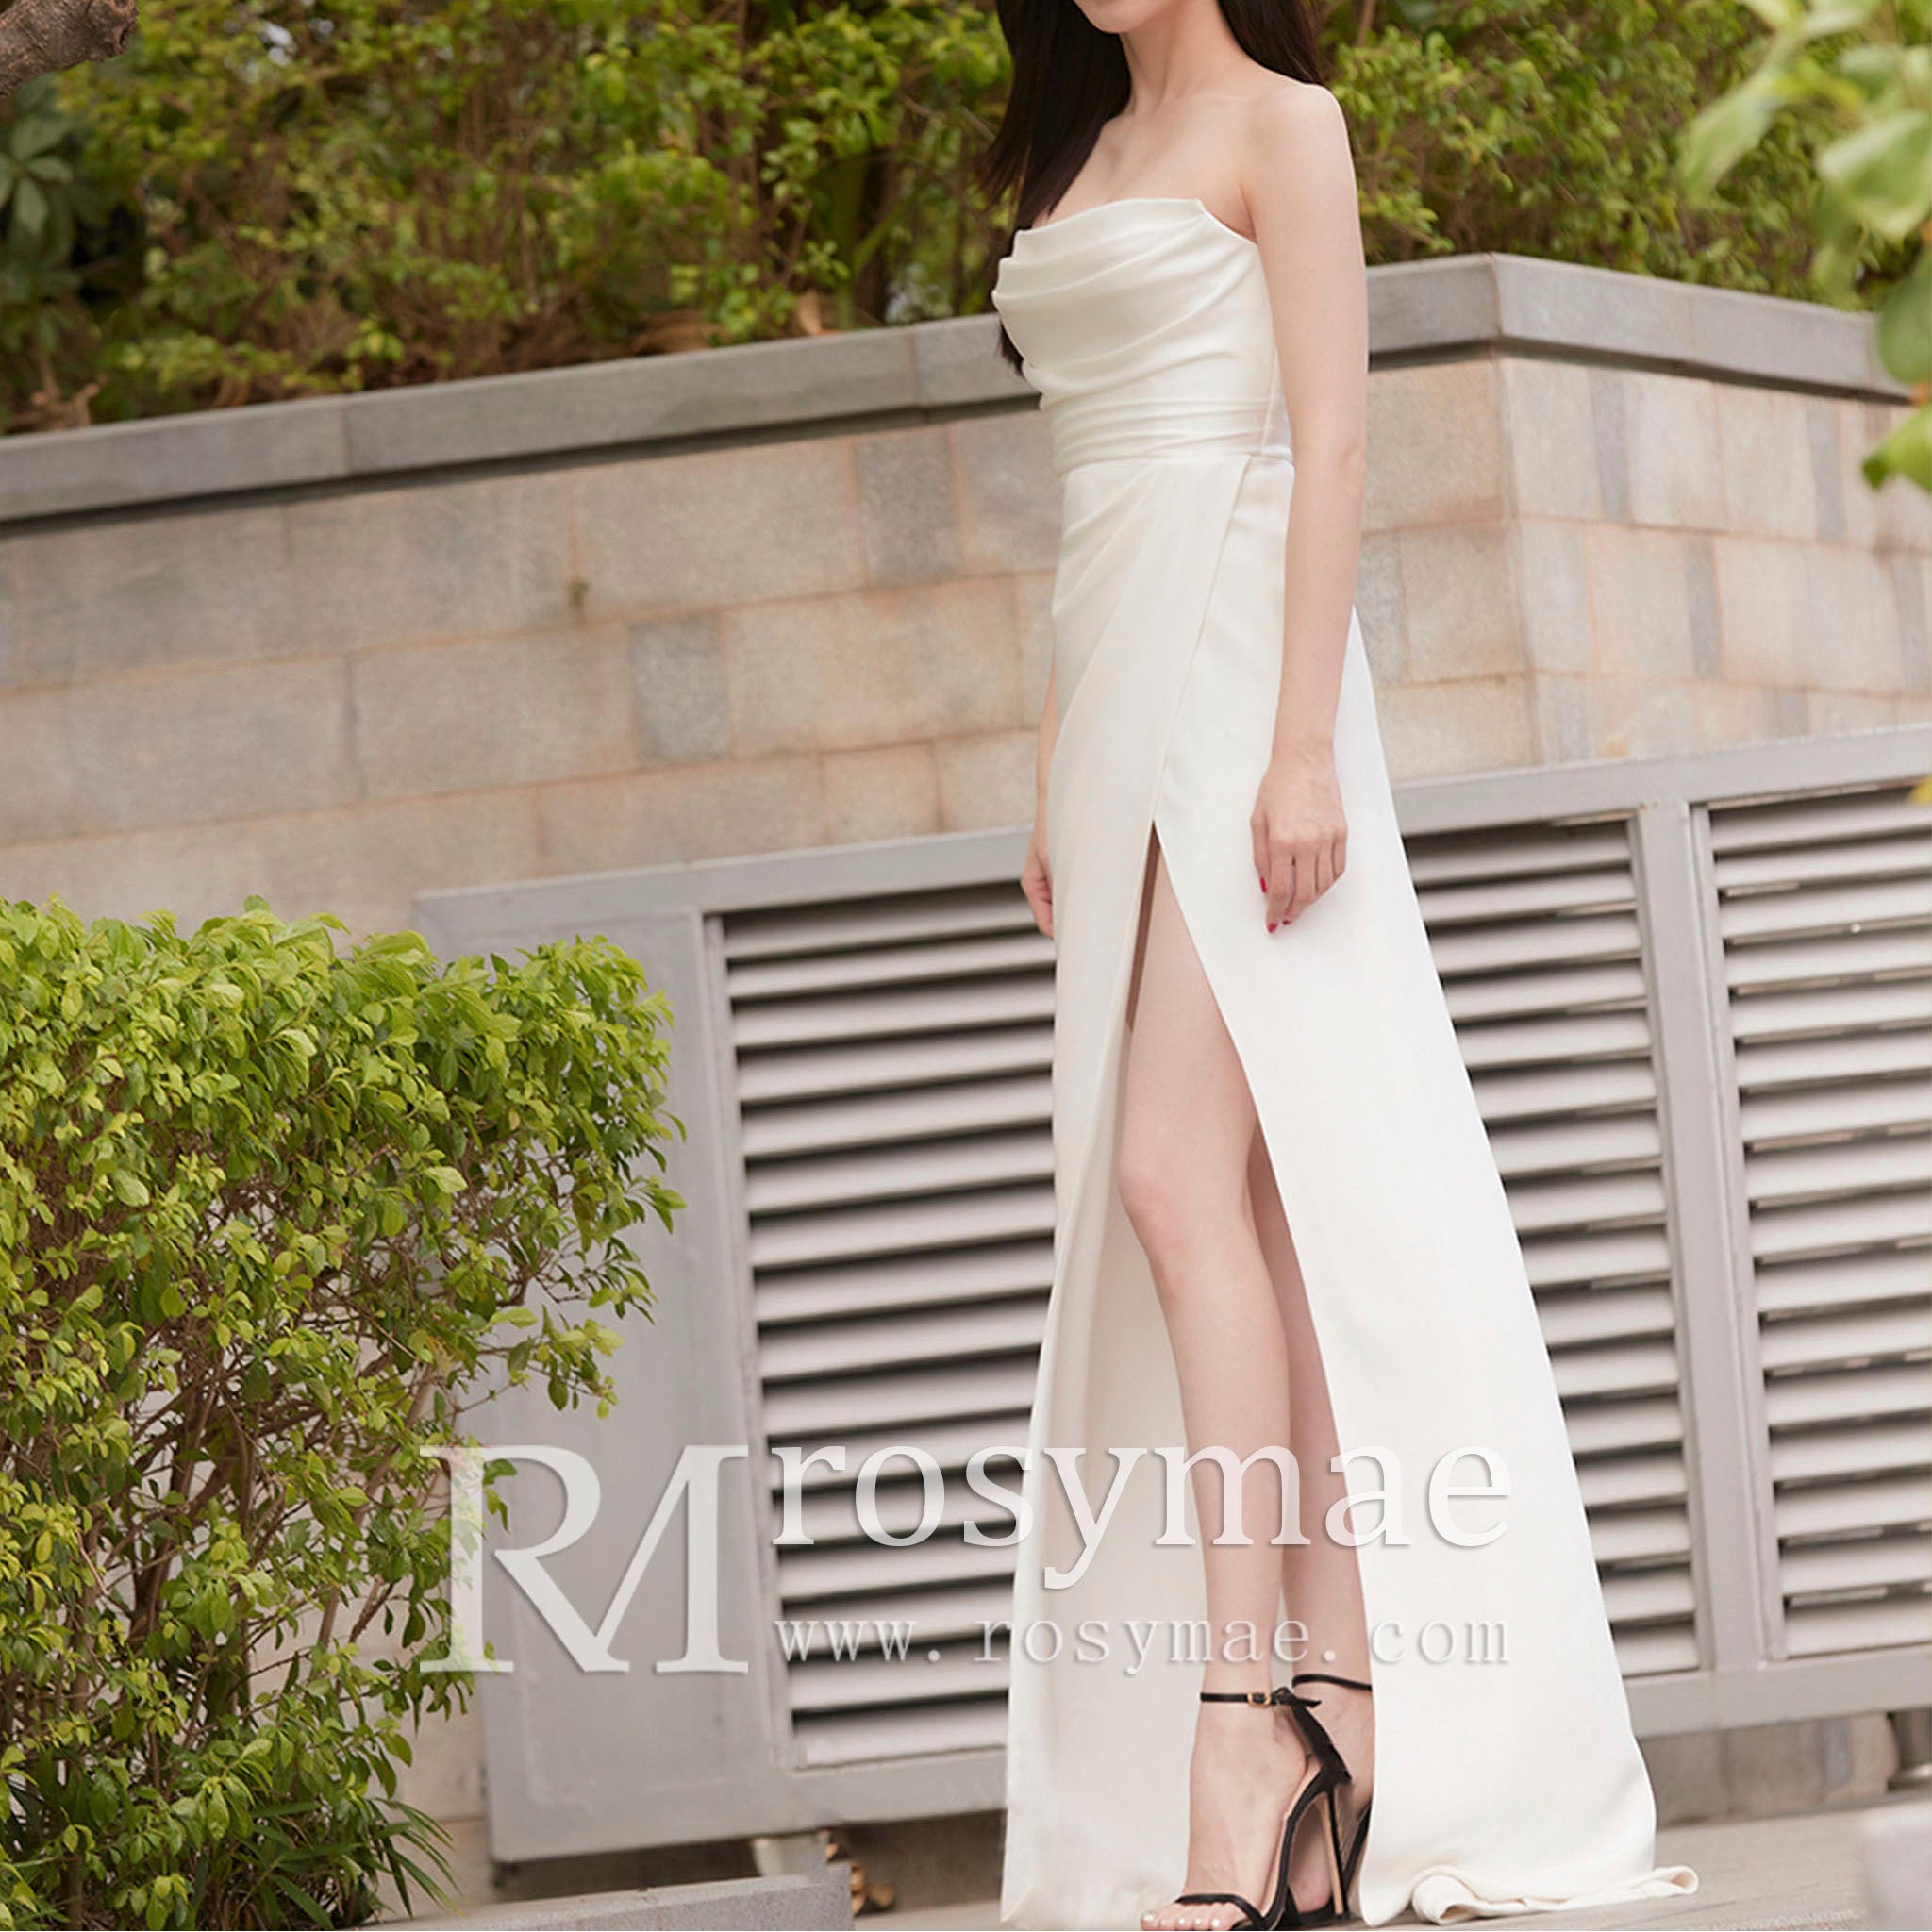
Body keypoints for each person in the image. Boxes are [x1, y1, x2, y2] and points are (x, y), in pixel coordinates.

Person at [981, 2, 1702, 1927]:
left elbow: (1332, 442)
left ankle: (1245, 1729)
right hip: (1116, 690)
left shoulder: (1286, 126)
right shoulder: (1069, 154)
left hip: (1240, 679)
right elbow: (1084, 499)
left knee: (1173, 1178)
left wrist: (1302, 746)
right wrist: (1051, 771)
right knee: (1262, 1210)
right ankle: (1341, 1715)